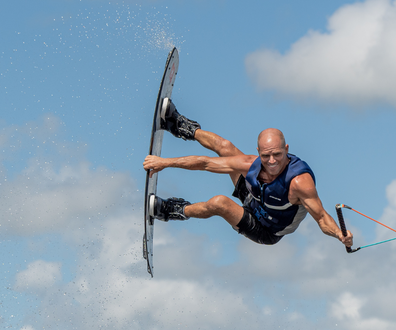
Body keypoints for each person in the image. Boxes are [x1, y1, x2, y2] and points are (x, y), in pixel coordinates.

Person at [143, 100, 353, 250]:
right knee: (225, 146)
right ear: (259, 152)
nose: (272, 162)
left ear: (286, 149)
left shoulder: (299, 182)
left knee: (220, 203)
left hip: (265, 228)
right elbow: (207, 163)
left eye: (278, 155)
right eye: (266, 156)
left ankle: (171, 210)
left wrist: (339, 235)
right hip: (255, 197)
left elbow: (322, 218)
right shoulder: (250, 163)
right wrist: (165, 163)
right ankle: (178, 125)